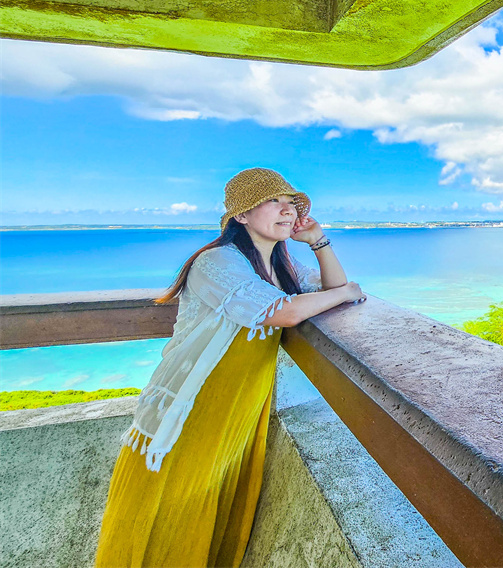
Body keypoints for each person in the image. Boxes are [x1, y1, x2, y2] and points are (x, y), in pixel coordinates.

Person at [94, 168, 365, 568]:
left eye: (292, 203)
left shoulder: (281, 267)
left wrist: (318, 241)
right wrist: (346, 292)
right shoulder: (216, 261)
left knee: (211, 507)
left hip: (238, 408)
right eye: (275, 201)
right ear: (241, 215)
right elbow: (286, 312)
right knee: (167, 510)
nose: (287, 211)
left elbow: (330, 292)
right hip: (192, 407)